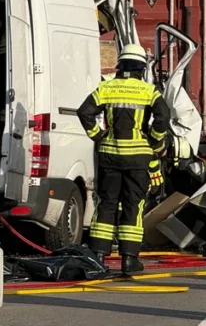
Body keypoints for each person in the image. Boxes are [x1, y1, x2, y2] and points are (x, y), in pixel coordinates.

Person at [78, 43, 170, 274]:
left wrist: (98, 135)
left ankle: (98, 257)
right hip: (138, 158)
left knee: (106, 204)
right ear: (141, 68)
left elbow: (84, 111)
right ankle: (129, 260)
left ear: (120, 66)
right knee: (133, 205)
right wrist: (156, 142)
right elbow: (163, 115)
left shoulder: (106, 88)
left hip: (109, 155)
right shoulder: (149, 91)